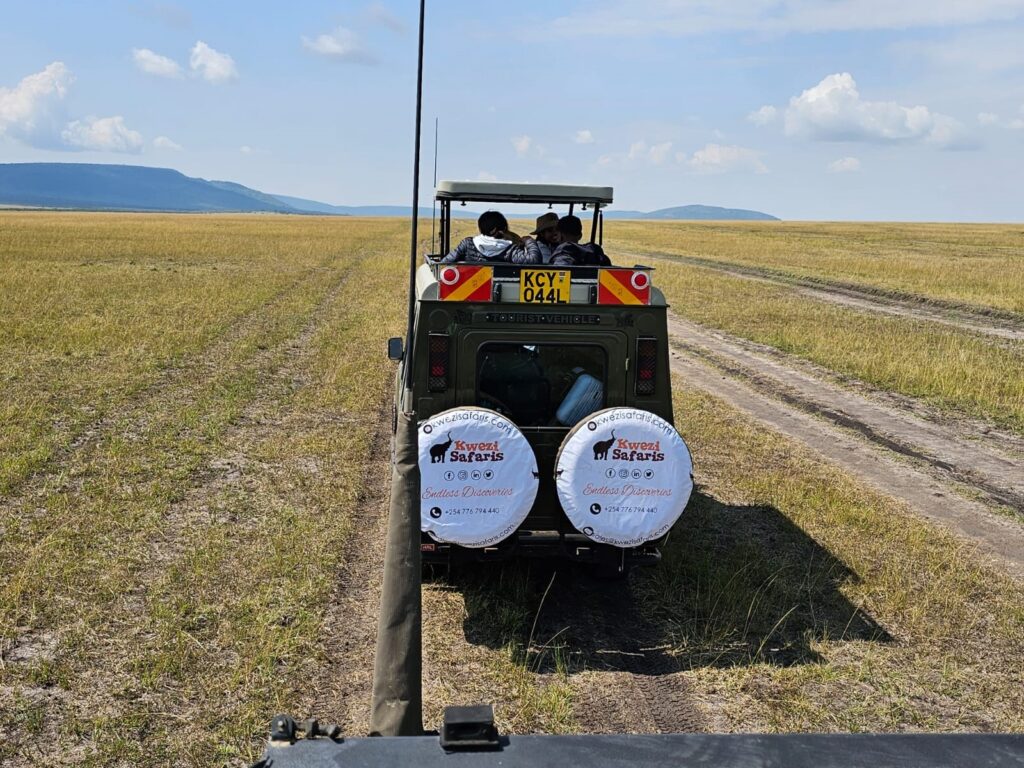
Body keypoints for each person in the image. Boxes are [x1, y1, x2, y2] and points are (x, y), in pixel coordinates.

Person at [440, 210, 540, 265]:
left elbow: (444, 263)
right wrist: (529, 240)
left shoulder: (468, 244)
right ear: (501, 230)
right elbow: (534, 260)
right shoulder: (510, 249)